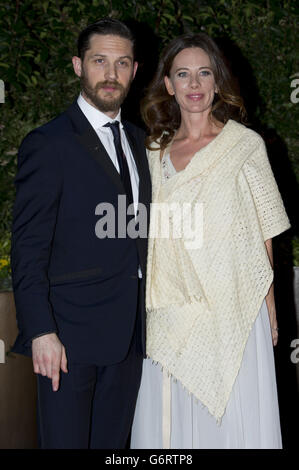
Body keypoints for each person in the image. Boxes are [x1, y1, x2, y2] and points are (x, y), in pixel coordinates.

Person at [131, 33, 290, 449]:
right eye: (183, 74)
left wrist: (269, 301)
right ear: (169, 85)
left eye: (204, 73)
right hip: (170, 307)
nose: (195, 84)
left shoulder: (244, 145)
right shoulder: (153, 151)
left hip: (233, 302)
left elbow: (264, 227)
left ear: (217, 82)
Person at [11, 18, 151, 449]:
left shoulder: (140, 140)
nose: (110, 74)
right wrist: (41, 331)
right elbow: (28, 247)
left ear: (134, 70)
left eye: (121, 63)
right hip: (67, 340)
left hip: (130, 339)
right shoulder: (49, 143)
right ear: (78, 66)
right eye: (99, 61)